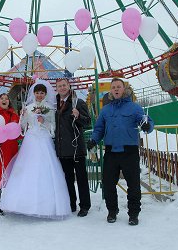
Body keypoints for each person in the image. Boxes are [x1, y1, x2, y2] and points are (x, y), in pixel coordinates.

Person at [0, 79, 71, 219]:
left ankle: (47, 206)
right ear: (34, 93)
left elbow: (54, 127)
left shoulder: (50, 108)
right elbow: (23, 126)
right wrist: (23, 116)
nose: (39, 95)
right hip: (31, 139)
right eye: (37, 92)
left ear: (45, 94)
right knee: (28, 167)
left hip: (44, 139)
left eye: (42, 93)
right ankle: (22, 203)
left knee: (45, 169)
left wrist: (44, 123)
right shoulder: (29, 107)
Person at [88, 78, 154, 225]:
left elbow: (146, 121)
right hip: (111, 151)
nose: (116, 89)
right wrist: (93, 139)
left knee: (133, 184)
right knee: (108, 183)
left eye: (119, 87)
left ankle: (133, 213)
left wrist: (147, 125)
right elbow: (99, 129)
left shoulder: (134, 108)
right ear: (110, 91)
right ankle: (112, 211)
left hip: (129, 151)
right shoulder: (106, 109)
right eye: (113, 87)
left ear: (124, 89)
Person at [54, 78, 92, 217]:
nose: (62, 88)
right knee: (67, 179)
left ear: (69, 86)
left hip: (76, 148)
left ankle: (85, 205)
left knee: (81, 179)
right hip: (62, 149)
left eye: (64, 85)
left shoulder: (78, 102)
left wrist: (78, 115)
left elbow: (87, 122)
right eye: (59, 86)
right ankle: (71, 203)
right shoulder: (55, 104)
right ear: (56, 88)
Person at [0, 93, 20, 215]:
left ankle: (9, 203)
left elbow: (18, 133)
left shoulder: (14, 115)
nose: (4, 100)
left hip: (11, 151)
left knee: (10, 179)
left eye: (6, 98)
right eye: (2, 98)